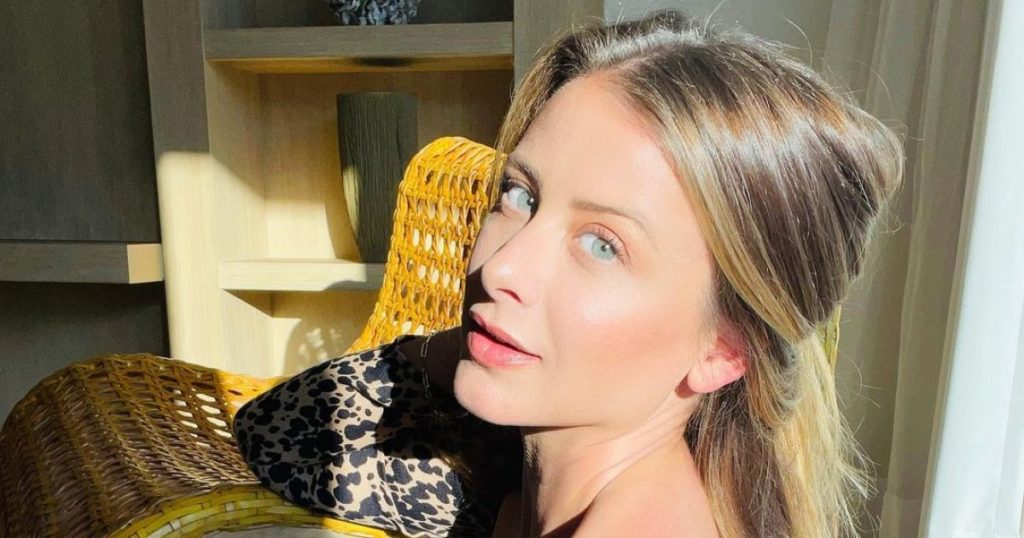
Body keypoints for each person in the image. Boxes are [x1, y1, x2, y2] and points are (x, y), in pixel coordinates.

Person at [232, 8, 904, 538]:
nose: (503, 266)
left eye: (603, 245)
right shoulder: (499, 492)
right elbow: (279, 434)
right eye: (519, 196)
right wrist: (460, 347)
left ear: (723, 349)